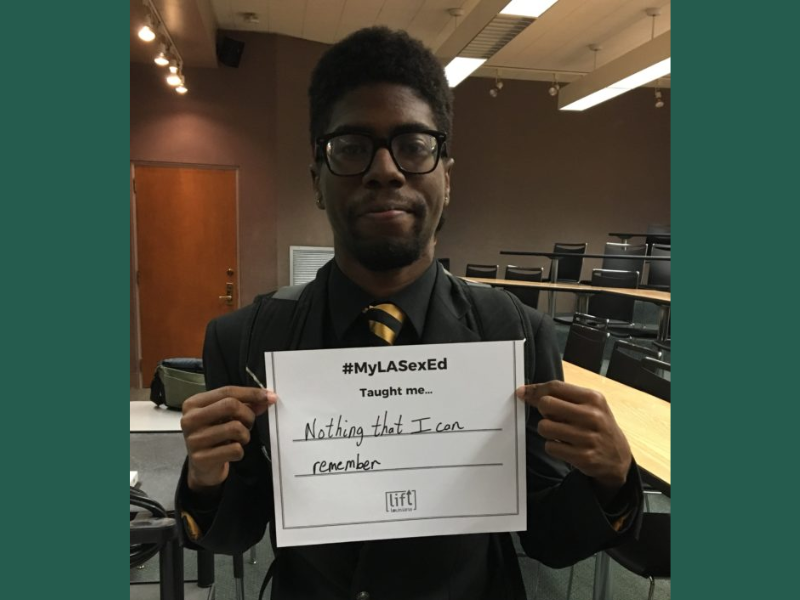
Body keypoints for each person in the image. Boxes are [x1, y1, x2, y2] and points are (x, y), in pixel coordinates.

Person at [176, 26, 642, 600]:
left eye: (414, 144)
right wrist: (204, 481)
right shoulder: (245, 339)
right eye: (351, 146)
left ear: (446, 172)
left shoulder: (516, 333)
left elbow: (546, 535)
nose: (385, 170)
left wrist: (613, 480)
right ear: (316, 181)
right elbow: (237, 532)